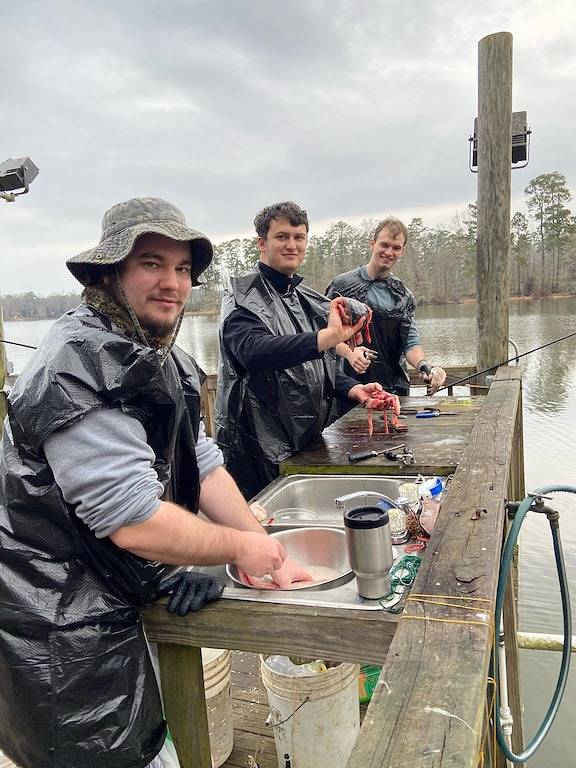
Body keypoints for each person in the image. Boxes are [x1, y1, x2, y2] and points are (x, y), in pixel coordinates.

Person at [0, 197, 310, 768]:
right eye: (151, 263)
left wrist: (267, 555)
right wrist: (242, 546)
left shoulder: (156, 354)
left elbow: (200, 457)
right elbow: (133, 519)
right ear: (109, 273)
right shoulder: (73, 364)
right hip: (61, 634)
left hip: (114, 599)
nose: (172, 283)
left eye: (183, 269)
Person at [215, 201, 396, 500]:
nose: (292, 245)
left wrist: (355, 390)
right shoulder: (242, 296)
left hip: (305, 443)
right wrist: (326, 338)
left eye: (299, 237)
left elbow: (315, 369)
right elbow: (253, 351)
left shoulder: (304, 298)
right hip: (255, 451)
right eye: (282, 237)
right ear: (262, 243)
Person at [326, 217, 446, 396]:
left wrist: (424, 366)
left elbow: (410, 342)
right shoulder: (341, 286)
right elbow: (322, 335)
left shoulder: (403, 295)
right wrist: (349, 353)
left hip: (393, 388)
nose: (389, 252)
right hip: (349, 387)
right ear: (372, 244)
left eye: (396, 248)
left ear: (402, 252)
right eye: (384, 245)